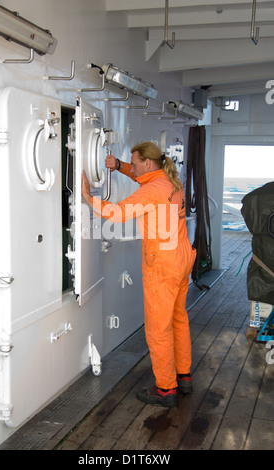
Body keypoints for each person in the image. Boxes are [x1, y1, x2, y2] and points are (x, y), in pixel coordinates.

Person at [81, 142, 196, 408]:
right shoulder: (170, 181)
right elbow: (144, 180)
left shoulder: (154, 189)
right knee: (178, 319)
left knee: (158, 329)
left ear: (147, 162)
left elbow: (119, 213)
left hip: (163, 266)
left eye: (134, 163)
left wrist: (89, 198)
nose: (132, 168)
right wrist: (120, 166)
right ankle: (184, 376)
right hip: (181, 257)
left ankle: (166, 389)